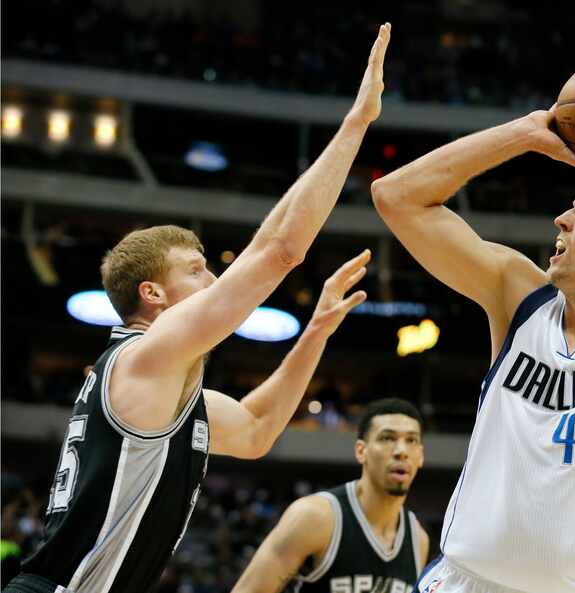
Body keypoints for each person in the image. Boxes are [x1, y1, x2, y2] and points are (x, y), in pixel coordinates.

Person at [4, 23, 392, 593]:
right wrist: (357, 123)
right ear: (151, 294)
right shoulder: (146, 357)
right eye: (195, 269)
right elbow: (280, 250)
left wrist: (317, 330)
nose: (214, 279)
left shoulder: (169, 390)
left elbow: (259, 430)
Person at [372, 77, 575, 593]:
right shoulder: (520, 298)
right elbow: (396, 198)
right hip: (461, 581)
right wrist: (524, 133)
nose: (562, 219)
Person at [231, 398, 429, 593]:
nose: (401, 451)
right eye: (387, 438)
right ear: (361, 451)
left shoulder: (418, 540)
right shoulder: (314, 517)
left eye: (411, 440)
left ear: (420, 456)